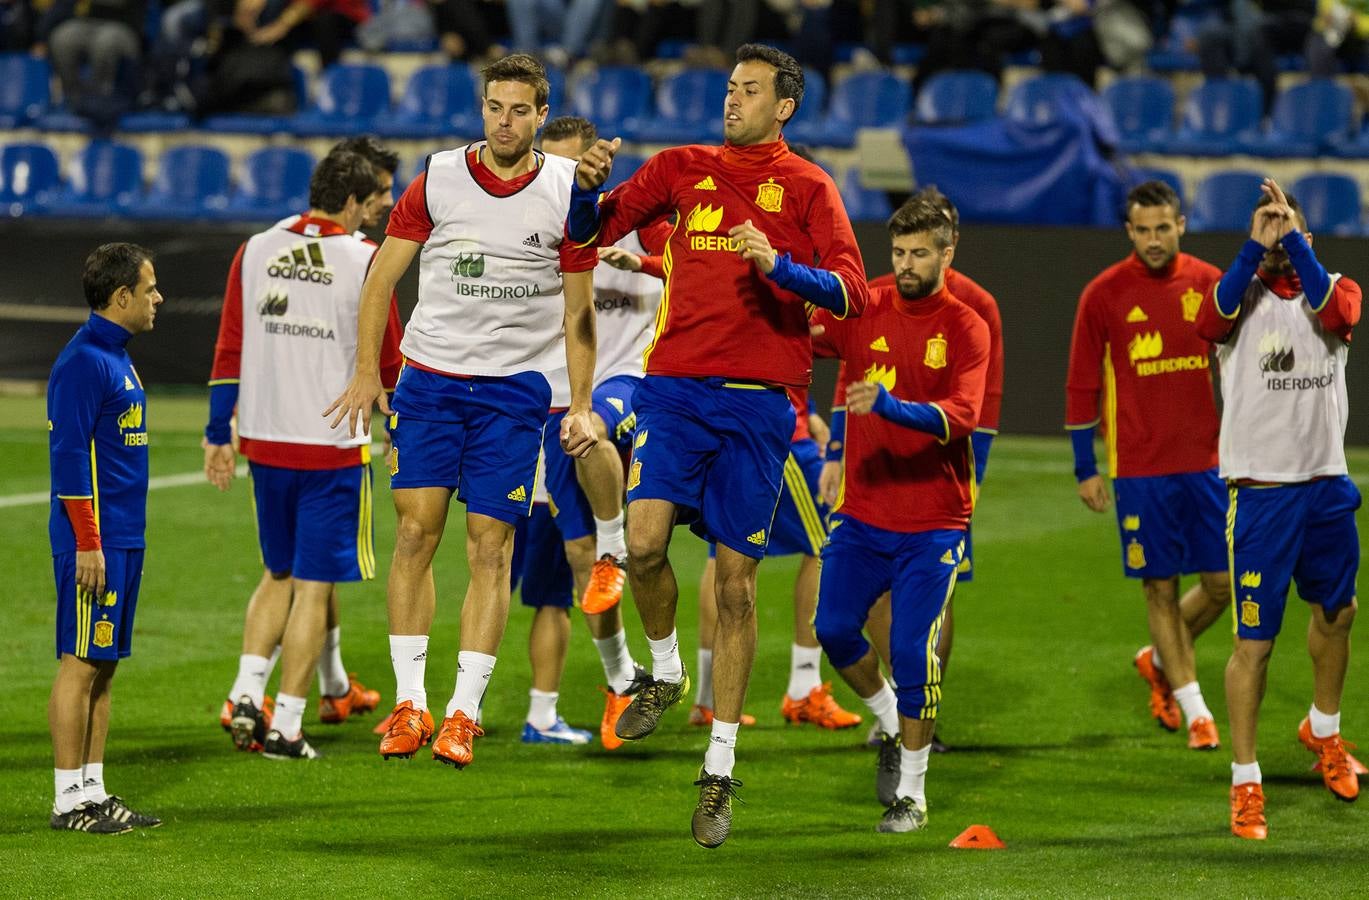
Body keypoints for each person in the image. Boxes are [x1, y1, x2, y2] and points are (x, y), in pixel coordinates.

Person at [567, 43, 869, 847]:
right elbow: (589, 234)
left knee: (734, 588)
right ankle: (664, 670)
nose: (732, 100)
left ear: (785, 107)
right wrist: (582, 188)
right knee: (640, 544)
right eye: (729, 88)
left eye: (749, 91)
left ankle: (719, 771)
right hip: (675, 391)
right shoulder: (677, 167)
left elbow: (853, 291)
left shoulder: (808, 187)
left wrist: (782, 268)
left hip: (761, 407)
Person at [325, 53, 599, 771]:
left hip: (513, 392)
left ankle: (462, 713)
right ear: (482, 108)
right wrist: (365, 372)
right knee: (415, 535)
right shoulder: (439, 176)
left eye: (518, 110)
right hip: (432, 384)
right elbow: (381, 279)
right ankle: (410, 703)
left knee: (490, 547)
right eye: (493, 107)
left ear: (542, 116)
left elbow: (579, 312)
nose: (503, 121)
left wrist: (584, 403)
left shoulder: (569, 189)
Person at [205, 150, 403, 760]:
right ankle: (287, 726)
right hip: (331, 443)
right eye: (372, 202)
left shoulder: (257, 247)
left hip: (265, 440)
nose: (378, 214)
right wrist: (400, 430)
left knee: (278, 573)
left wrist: (219, 433)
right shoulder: (368, 260)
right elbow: (390, 359)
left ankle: (245, 692)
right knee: (314, 588)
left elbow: (230, 346)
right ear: (351, 203)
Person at [810, 198, 989, 834]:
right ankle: (887, 717)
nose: (906, 266)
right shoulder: (869, 306)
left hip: (934, 521)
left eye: (919, 253)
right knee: (831, 627)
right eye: (898, 254)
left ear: (947, 253)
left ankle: (913, 794)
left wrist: (887, 405)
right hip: (863, 511)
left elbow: (962, 418)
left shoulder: (967, 326)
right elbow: (804, 329)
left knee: (914, 650)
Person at [1196, 178, 1364, 840]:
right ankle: (1245, 781)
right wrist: (1255, 246)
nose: (1276, 239)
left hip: (1325, 484)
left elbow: (1335, 314)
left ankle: (1322, 730)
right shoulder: (1234, 301)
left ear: (1307, 239)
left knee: (1337, 612)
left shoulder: (1340, 286)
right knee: (1253, 643)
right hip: (1262, 492)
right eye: (1266, 228)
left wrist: (1292, 237)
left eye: (1287, 228)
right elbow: (1206, 322)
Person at [1064, 180, 1232, 751]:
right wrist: (1086, 465)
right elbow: (1082, 382)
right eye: (1144, 229)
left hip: (1209, 463)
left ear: (1181, 224)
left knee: (1222, 585)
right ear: (1129, 231)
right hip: (1138, 468)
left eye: (1164, 227)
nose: (1155, 239)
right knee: (1159, 588)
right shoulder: (1103, 294)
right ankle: (1197, 710)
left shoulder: (1211, 284)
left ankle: (1157, 659)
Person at [537, 115, 665, 748]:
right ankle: (621, 683)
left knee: (590, 427)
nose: (562, 179)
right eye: (553, 167)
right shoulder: (533, 224)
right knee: (577, 559)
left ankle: (619, 547)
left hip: (627, 377)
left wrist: (639, 258)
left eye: (572, 167)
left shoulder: (636, 213)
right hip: (550, 397)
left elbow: (693, 265)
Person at [47, 242, 163, 832]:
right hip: (94, 542)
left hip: (121, 537)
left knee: (104, 662)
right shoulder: (85, 360)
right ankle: (69, 801)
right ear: (122, 298)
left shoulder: (115, 353)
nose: (158, 299)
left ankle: (93, 789)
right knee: (80, 661)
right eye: (149, 290)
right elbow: (69, 460)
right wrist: (88, 542)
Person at [691, 386, 863, 733]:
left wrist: (809, 407)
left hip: (722, 431)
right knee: (829, 543)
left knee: (722, 554)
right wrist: (804, 408)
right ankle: (804, 686)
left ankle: (708, 700)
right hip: (777, 433)